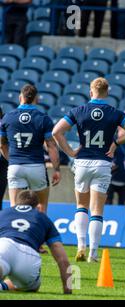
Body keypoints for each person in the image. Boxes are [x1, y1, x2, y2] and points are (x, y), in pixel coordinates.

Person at [52, 78, 125, 263]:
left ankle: (80, 246)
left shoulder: (79, 111)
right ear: (107, 92)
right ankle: (93, 253)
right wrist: (116, 143)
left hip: (83, 162)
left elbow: (56, 132)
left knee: (81, 206)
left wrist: (70, 151)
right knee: (97, 210)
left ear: (90, 92)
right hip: (102, 163)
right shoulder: (114, 112)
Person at [0, 85, 61, 215]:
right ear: (37, 99)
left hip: (15, 166)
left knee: (15, 209)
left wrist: (12, 160)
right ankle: (38, 234)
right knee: (41, 209)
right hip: (36, 167)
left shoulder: (7, 118)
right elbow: (51, 146)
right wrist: (56, 169)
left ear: (20, 97)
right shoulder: (43, 118)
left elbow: (2, 145)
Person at [0, 190, 71, 294]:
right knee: (31, 287)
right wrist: (68, 291)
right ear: (37, 205)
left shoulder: (3, 213)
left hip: (5, 245)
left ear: (16, 202)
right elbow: (63, 260)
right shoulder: (43, 218)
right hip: (28, 255)